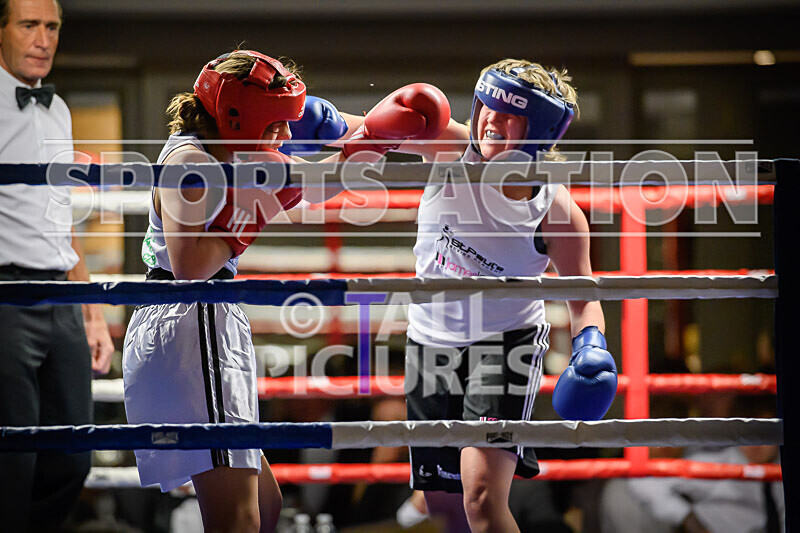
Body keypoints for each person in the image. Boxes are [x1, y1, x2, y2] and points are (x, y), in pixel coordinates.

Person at [121, 50, 449, 533]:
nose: (284, 135)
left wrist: (380, 136)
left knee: (265, 506)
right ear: (238, 116)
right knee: (238, 518)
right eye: (275, 124)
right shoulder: (191, 161)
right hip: (193, 319)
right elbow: (190, 265)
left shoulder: (230, 142)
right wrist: (254, 212)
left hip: (198, 320)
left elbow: (314, 171)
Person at [333, 59, 617, 532]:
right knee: (442, 504)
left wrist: (591, 346)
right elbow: (368, 130)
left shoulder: (556, 209)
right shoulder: (449, 148)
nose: (490, 119)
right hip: (429, 339)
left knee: (482, 498)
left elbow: (583, 296)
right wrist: (307, 118)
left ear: (539, 130)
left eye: (509, 115)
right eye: (487, 105)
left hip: (504, 345)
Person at [0, 0, 114, 531]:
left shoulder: (59, 110)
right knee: (12, 462)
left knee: (72, 457)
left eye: (51, 27)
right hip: (7, 294)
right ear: (1, 31)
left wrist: (91, 311)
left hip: (62, 296)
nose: (43, 39)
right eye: (29, 25)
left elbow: (62, 217)